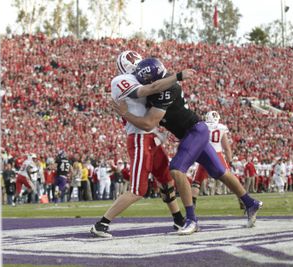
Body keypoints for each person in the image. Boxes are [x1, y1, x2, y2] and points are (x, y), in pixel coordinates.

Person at [113, 57, 263, 233]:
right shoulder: (161, 84)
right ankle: (250, 203)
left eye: (143, 78)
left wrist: (126, 115)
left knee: (176, 169)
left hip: (195, 132)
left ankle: (191, 220)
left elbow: (148, 123)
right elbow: (149, 89)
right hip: (190, 134)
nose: (139, 81)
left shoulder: (166, 89)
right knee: (220, 172)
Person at [91, 50, 195, 238]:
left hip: (150, 137)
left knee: (166, 180)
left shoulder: (139, 77)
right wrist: (177, 77)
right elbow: (149, 89)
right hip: (138, 137)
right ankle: (102, 224)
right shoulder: (121, 80)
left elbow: (156, 86)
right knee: (139, 189)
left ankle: (178, 219)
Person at [192, 111, 232, 206]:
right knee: (230, 179)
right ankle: (242, 200)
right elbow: (226, 148)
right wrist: (229, 161)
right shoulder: (221, 127)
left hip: (205, 154)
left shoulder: (202, 126)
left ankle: (191, 204)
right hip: (217, 154)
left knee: (197, 181)